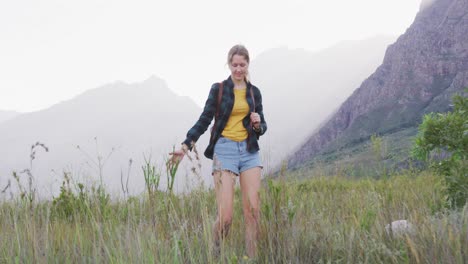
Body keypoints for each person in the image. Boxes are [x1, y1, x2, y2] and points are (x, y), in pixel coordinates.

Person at [170, 44, 267, 257]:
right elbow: (205, 119)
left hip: (250, 151)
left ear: (248, 64)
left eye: (243, 65)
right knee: (226, 218)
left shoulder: (254, 92)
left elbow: (262, 127)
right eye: (235, 65)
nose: (239, 69)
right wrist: (186, 146)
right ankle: (215, 253)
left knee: (253, 213)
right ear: (229, 64)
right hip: (225, 150)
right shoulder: (219, 89)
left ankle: (251, 259)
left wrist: (258, 123)